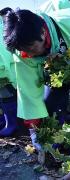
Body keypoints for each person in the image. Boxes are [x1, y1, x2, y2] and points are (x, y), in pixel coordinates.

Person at [2, 0, 70, 149]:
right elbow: (28, 90)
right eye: (24, 50)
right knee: (50, 103)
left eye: (31, 48)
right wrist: (34, 129)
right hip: (57, 74)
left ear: (43, 32)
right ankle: (57, 141)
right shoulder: (22, 50)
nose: (28, 53)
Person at [0, 7, 17, 136]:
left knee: (7, 96)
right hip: (5, 70)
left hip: (5, 71)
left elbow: (5, 53)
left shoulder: (6, 26)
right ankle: (7, 122)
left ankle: (11, 124)